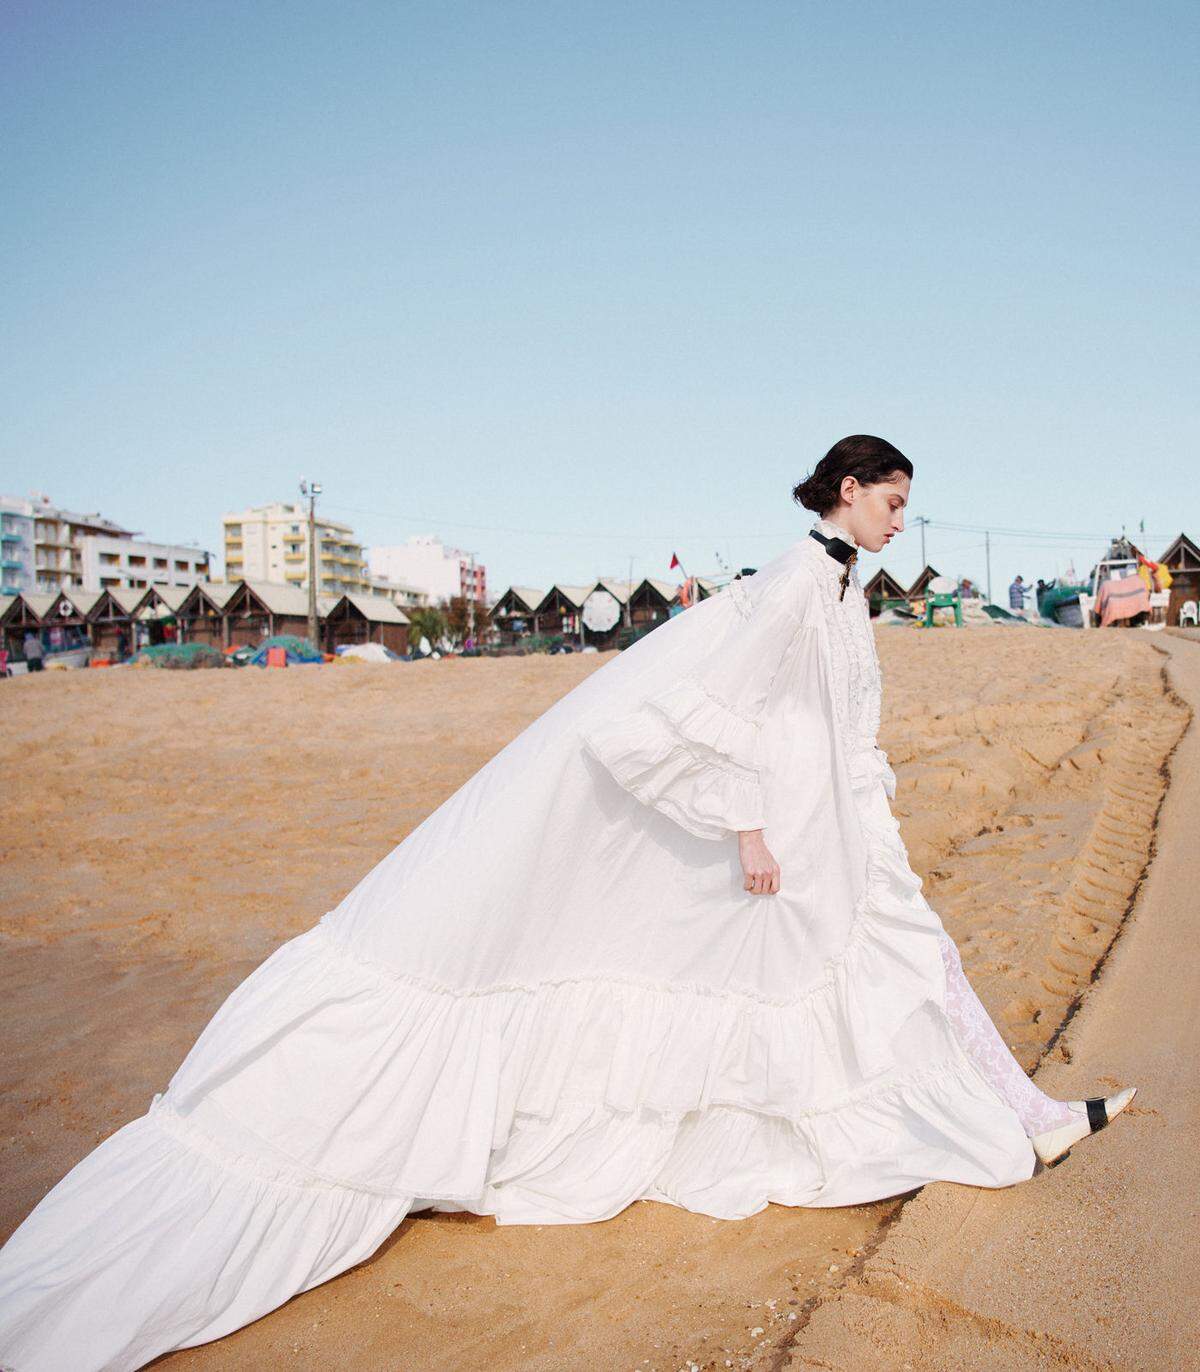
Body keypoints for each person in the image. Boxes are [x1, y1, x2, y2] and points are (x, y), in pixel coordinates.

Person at [0, 436, 1135, 1372]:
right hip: (802, 835)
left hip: (843, 827)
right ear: (849, 489)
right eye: (892, 501)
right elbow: (699, 704)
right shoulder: (798, 579)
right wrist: (745, 826)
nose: (900, 519)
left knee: (905, 968)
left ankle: (1019, 1116)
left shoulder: (838, 583)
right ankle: (1019, 1120)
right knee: (895, 969)